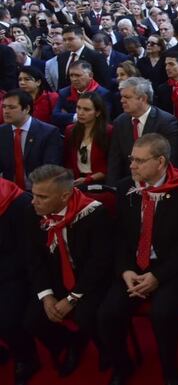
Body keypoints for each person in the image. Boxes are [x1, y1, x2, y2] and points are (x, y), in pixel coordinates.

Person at [98, 134, 178, 385]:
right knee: (108, 314)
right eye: (132, 159)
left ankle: (170, 369)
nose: (131, 166)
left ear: (160, 162)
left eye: (139, 161)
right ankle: (122, 366)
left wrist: (158, 276)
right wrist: (125, 271)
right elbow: (119, 238)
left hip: (169, 268)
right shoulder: (124, 188)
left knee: (163, 314)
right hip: (133, 267)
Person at [23, 165, 112, 379]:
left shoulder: (94, 213)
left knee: (86, 315)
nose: (34, 201)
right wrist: (47, 297)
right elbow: (35, 260)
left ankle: (109, 350)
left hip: (90, 280)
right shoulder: (33, 212)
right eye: (33, 194)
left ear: (64, 196)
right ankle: (69, 342)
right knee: (31, 321)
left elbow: (99, 263)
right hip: (57, 278)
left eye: (42, 197)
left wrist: (72, 298)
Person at [107, 77, 178, 185]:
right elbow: (115, 161)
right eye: (122, 97)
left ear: (143, 98)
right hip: (130, 184)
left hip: (159, 184)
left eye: (127, 97)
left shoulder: (166, 122)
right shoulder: (120, 122)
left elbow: (171, 160)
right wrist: (113, 189)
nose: (122, 100)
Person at [0, 177, 37, 385]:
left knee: (7, 320)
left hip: (16, 272)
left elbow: (28, 252)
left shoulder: (19, 202)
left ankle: (27, 358)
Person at [0, 89, 62, 189]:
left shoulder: (48, 133)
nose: (6, 111)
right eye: (4, 107)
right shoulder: (2, 132)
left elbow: (50, 169)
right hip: (9, 191)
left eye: (12, 107)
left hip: (38, 190)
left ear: (27, 109)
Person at [63, 92, 112, 186]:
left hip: (100, 183)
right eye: (78, 107)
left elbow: (111, 165)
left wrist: (88, 179)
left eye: (86, 109)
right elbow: (67, 160)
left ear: (97, 112)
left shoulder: (108, 132)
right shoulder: (70, 130)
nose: (80, 113)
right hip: (75, 182)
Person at [52, 60, 112, 131]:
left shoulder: (102, 94)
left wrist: (68, 116)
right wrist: (78, 117)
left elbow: (103, 120)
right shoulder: (64, 92)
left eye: (78, 75)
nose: (74, 79)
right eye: (71, 75)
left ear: (90, 75)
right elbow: (55, 116)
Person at [56, 25, 110, 90]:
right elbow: (61, 81)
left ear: (81, 38)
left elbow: (103, 82)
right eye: (64, 40)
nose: (67, 42)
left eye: (70, 39)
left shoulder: (96, 57)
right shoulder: (62, 57)